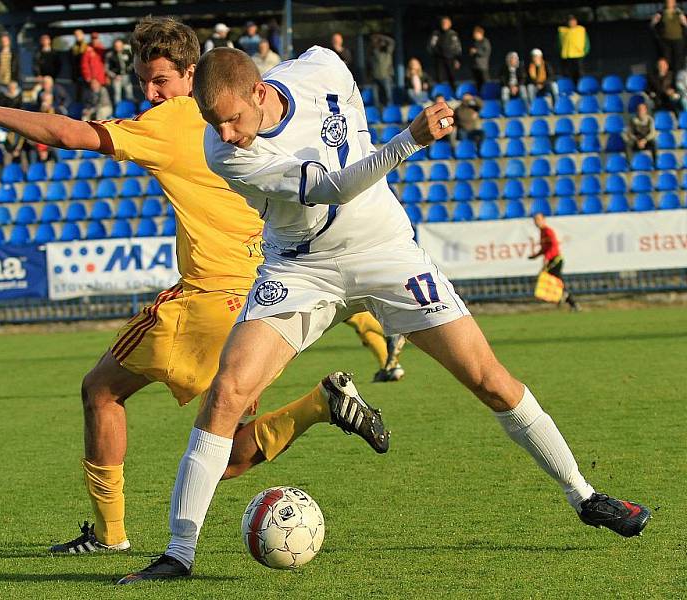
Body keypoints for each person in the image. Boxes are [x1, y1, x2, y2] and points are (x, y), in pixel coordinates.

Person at [115, 45, 651, 583]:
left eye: (231, 119)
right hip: (301, 269)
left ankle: (585, 496)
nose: (225, 133)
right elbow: (330, 188)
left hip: (387, 252)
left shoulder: (322, 66)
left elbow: (344, 105)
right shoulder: (226, 154)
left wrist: (366, 138)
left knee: (490, 380)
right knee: (227, 394)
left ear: (259, 91)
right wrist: (409, 141)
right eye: (214, 123)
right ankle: (178, 553)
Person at [0, 16, 403, 560]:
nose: (151, 94)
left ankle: (110, 535)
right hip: (263, 300)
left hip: (206, 299)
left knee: (99, 391)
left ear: (191, 75)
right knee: (220, 452)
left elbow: (68, 133)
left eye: (161, 81)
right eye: (143, 82)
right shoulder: (242, 121)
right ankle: (322, 405)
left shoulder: (175, 121)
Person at [528, 214, 580, 311]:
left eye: (538, 219)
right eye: (535, 220)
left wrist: (547, 258)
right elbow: (545, 248)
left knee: (550, 279)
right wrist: (536, 255)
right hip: (551, 259)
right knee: (557, 281)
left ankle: (563, 296)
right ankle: (571, 302)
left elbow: (553, 246)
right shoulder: (542, 232)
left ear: (544, 220)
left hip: (555, 259)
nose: (536, 222)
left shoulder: (548, 231)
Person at [651, 0, 687, 71]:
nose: (669, 3)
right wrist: (654, 20)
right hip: (665, 41)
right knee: (667, 60)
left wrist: (681, 17)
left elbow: (685, 24)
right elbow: (652, 24)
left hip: (678, 40)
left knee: (678, 60)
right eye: (668, 2)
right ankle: (668, 76)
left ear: (674, 3)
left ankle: (677, 76)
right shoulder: (661, 12)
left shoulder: (679, 12)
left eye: (671, 2)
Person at [427, 16, 462, 88]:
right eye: (443, 23)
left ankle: (454, 92)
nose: (444, 24)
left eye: (446, 23)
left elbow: (457, 47)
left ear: (450, 24)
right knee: (439, 77)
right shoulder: (436, 33)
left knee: (452, 77)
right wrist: (437, 53)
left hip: (450, 58)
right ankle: (440, 94)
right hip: (439, 58)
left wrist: (457, 59)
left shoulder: (453, 34)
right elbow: (431, 46)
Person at [558, 14, 589, 83]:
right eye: (570, 21)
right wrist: (561, 52)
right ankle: (569, 88)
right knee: (567, 73)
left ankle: (580, 88)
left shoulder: (581, 30)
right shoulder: (562, 30)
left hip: (578, 55)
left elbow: (587, 42)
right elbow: (558, 43)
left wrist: (585, 52)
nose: (572, 22)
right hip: (566, 56)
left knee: (579, 73)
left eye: (573, 21)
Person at [105, 38, 135, 105]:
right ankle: (118, 109)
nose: (118, 48)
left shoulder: (127, 52)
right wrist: (114, 75)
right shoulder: (110, 55)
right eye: (116, 46)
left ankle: (131, 108)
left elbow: (133, 62)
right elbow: (107, 69)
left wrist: (130, 68)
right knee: (117, 94)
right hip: (116, 78)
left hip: (127, 76)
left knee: (129, 93)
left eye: (120, 46)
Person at [369, 33, 395, 107]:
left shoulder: (387, 51)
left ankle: (390, 112)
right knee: (375, 98)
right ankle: (377, 113)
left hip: (386, 76)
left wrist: (381, 37)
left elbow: (392, 42)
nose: (380, 44)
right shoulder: (373, 51)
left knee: (389, 97)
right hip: (375, 77)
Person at [468, 26, 491, 91]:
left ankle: (487, 95)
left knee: (485, 83)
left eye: (475, 34)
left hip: (482, 67)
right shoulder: (475, 42)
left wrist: (476, 51)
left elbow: (486, 53)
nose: (474, 35)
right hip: (475, 67)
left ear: (480, 33)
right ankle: (479, 96)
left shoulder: (485, 41)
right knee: (478, 84)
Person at [70, 29, 89, 102]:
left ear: (83, 35)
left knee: (87, 93)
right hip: (77, 74)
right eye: (76, 35)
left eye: (79, 35)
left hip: (86, 74)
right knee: (78, 94)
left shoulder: (87, 47)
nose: (77, 36)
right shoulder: (73, 48)